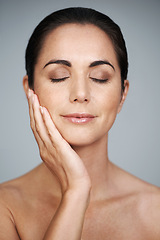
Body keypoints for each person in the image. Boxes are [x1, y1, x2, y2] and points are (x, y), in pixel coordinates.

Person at [0, 7, 160, 240]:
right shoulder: (6, 208)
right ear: (30, 89)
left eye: (100, 77)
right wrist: (76, 191)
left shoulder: (155, 211)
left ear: (122, 94)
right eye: (59, 76)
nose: (81, 93)